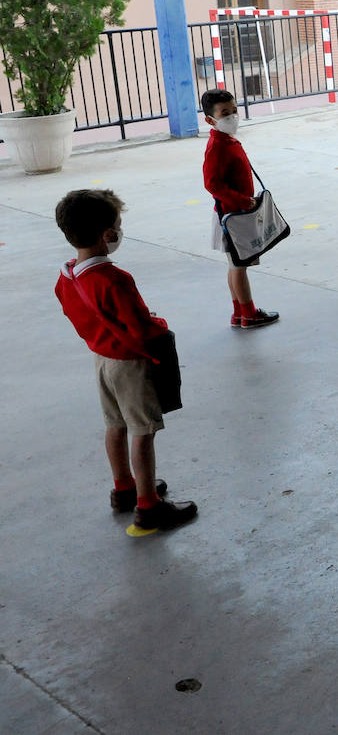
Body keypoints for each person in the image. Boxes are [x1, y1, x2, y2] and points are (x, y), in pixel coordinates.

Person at [53, 189, 198, 532]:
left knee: (115, 425)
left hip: (102, 359)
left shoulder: (66, 276)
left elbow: (77, 318)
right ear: (108, 235)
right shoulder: (114, 279)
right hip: (130, 363)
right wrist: (159, 327)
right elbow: (141, 330)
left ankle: (124, 488)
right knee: (143, 432)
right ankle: (149, 506)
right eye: (117, 225)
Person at [201, 89, 280, 329]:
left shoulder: (226, 141)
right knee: (239, 267)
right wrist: (242, 201)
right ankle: (250, 314)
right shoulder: (217, 146)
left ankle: (239, 313)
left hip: (234, 212)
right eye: (225, 113)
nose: (233, 116)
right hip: (232, 214)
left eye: (234, 110)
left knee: (234, 265)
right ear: (210, 120)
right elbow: (211, 183)